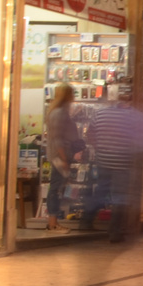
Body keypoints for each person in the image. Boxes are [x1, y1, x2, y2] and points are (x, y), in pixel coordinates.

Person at [81, 88, 143, 242]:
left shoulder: (100, 114)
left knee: (101, 191)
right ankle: (115, 232)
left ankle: (86, 220)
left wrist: (100, 147)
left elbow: (89, 134)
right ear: (129, 101)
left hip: (103, 160)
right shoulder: (133, 116)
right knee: (119, 197)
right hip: (122, 163)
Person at [44, 84, 83, 231]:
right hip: (59, 156)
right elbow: (57, 139)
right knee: (56, 188)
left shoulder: (58, 112)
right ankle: (52, 222)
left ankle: (53, 221)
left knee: (57, 187)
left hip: (61, 154)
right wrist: (64, 159)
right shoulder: (59, 113)